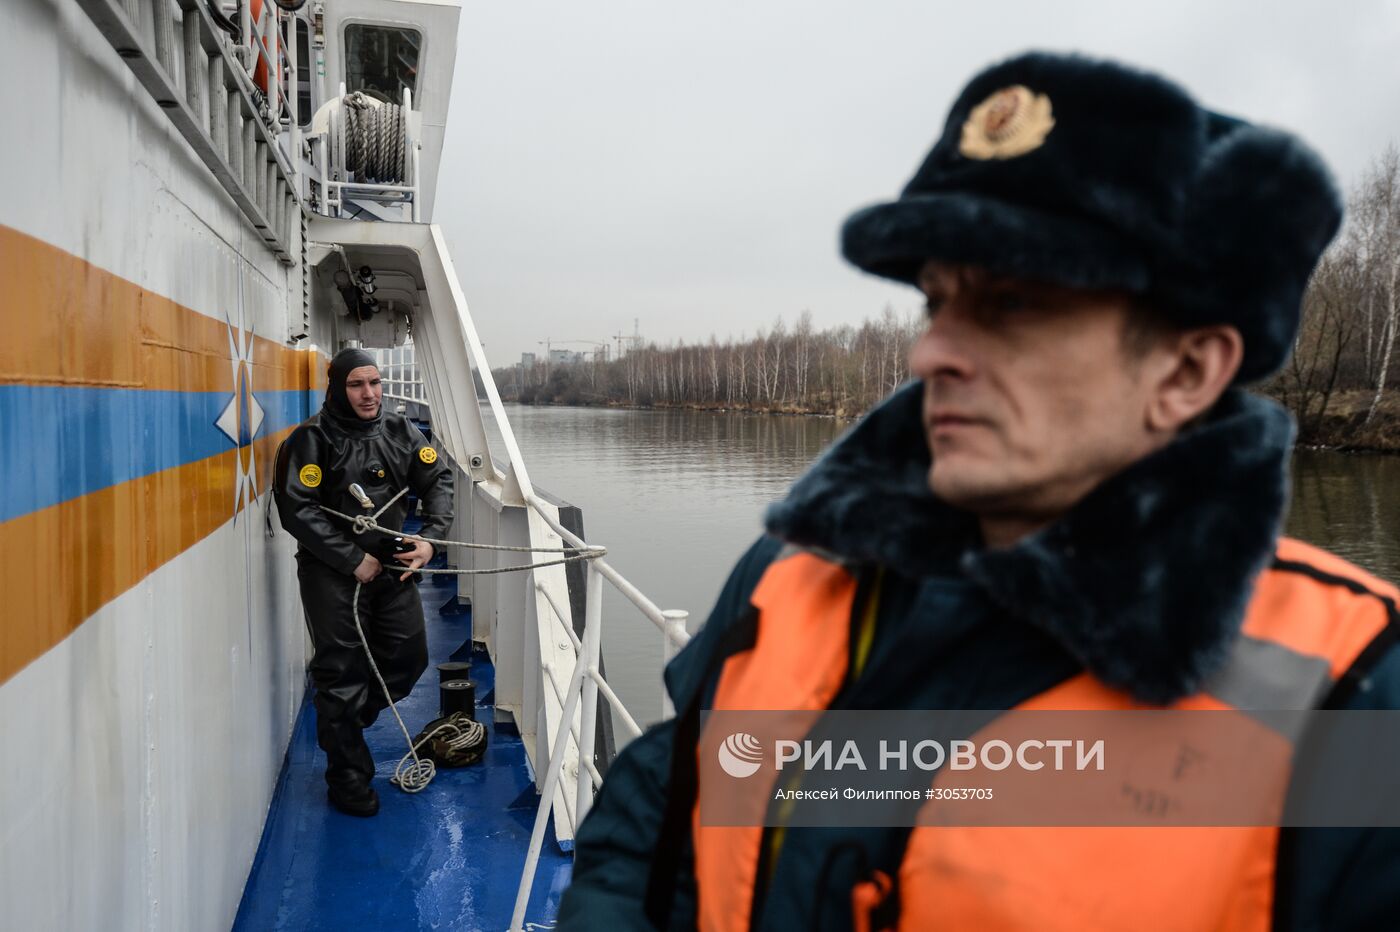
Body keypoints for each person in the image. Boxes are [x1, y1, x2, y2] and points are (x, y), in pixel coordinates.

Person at [559, 52, 1400, 929]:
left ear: (1186, 370)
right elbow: (660, 818)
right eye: (936, 303)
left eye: (1012, 306)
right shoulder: (794, 573)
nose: (931, 356)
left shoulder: (1351, 697)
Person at [274, 347, 454, 817]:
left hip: (393, 562)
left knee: (409, 656)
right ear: (336, 387)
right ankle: (348, 778)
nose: (369, 394)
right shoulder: (310, 441)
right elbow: (297, 507)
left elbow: (438, 479)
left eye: (374, 383)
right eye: (357, 385)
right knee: (341, 670)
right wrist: (352, 559)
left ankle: (349, 720)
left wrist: (431, 540)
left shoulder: (399, 431)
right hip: (330, 569)